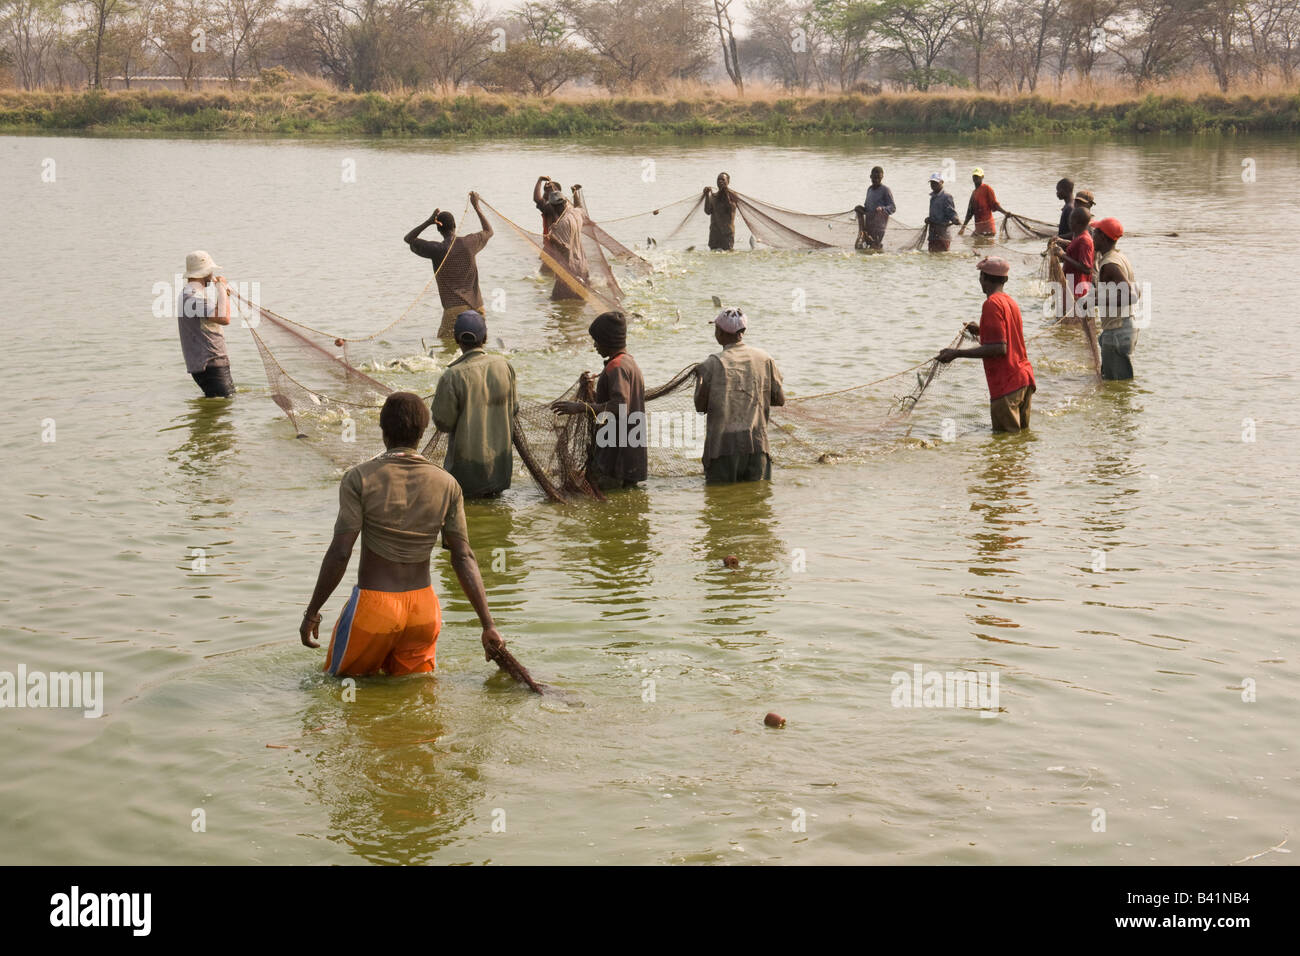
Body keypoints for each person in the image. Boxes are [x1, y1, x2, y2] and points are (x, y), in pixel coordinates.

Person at [298, 391, 508, 677]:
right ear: (422, 433)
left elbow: (341, 551)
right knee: (414, 695)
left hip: (375, 607)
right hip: (423, 611)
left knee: (338, 689)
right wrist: (488, 625)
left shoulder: (360, 478)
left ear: (383, 431)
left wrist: (312, 611)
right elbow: (463, 556)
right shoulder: (447, 483)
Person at [550, 311, 648, 491]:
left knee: (605, 503)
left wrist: (580, 407)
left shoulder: (616, 367)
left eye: (597, 340)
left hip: (615, 458)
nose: (594, 345)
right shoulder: (629, 363)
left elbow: (619, 407)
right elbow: (615, 402)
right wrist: (591, 390)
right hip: (630, 456)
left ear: (608, 340)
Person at [937, 257, 1036, 433]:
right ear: (1005, 279)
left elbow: (999, 348)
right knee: (1019, 440)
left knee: (1006, 444)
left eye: (981, 276)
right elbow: (1008, 336)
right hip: (1024, 380)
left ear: (984, 278)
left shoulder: (991, 304)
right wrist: (982, 330)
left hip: (1007, 386)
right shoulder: (1010, 301)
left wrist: (956, 353)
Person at [431, 310, 518, 498]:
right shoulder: (504, 366)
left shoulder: (452, 376)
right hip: (500, 473)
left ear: (456, 339)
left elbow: (443, 424)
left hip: (465, 477)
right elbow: (514, 409)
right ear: (485, 337)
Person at [694, 307, 785, 482]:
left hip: (722, 449)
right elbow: (779, 399)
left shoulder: (711, 364)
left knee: (719, 505)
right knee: (758, 503)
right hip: (757, 446)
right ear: (742, 332)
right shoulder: (765, 358)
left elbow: (700, 407)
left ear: (720, 332)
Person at [404, 191, 493, 337]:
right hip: (477, 307)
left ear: (438, 228)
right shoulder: (469, 243)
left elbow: (408, 239)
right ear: (455, 225)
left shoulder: (436, 250)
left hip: (454, 311)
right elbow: (489, 231)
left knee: (446, 350)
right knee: (478, 347)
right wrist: (476, 206)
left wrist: (428, 221)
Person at [178, 250, 235, 398]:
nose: (212, 274)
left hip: (209, 363)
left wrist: (223, 294)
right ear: (206, 272)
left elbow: (215, 316)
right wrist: (221, 288)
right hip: (210, 363)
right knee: (224, 407)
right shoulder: (193, 297)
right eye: (211, 270)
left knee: (222, 407)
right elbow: (224, 318)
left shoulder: (190, 293)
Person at [1090, 217, 1139, 381]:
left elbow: (1130, 295)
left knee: (1116, 386)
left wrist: (1095, 301)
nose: (1092, 237)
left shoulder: (1110, 264)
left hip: (1118, 331)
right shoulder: (1118, 256)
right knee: (1116, 386)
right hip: (1123, 326)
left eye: (1095, 233)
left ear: (1103, 238)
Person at [543, 187, 590, 301]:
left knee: (555, 301)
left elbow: (565, 250)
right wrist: (575, 194)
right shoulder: (576, 213)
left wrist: (553, 238)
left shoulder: (562, 224)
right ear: (565, 202)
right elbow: (580, 207)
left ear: (553, 207)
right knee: (578, 303)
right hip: (583, 267)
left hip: (570, 270)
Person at [1050, 204, 1095, 317]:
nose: (1069, 224)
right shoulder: (1080, 237)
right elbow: (1076, 247)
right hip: (1071, 286)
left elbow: (1087, 268)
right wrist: (1062, 241)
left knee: (1071, 319)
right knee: (1067, 324)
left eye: (1071, 221)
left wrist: (1063, 255)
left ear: (1078, 223)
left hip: (1077, 289)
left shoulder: (1084, 240)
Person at [856, 166, 896, 250]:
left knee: (875, 246)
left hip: (879, 227)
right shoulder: (869, 189)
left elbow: (893, 207)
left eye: (879, 177)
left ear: (882, 177)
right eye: (875, 177)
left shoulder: (885, 190)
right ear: (870, 177)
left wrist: (883, 209)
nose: (877, 179)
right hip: (868, 225)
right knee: (868, 248)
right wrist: (860, 209)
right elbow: (867, 209)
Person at [960, 167, 1006, 237]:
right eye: (974, 176)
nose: (976, 178)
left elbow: (995, 205)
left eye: (978, 176)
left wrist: (1005, 213)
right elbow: (969, 213)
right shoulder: (974, 193)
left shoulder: (987, 188)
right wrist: (963, 228)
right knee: (973, 243)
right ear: (972, 178)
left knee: (983, 246)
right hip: (979, 229)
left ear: (982, 177)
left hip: (988, 228)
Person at [533, 175, 563, 275]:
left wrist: (540, 180)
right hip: (555, 247)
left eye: (548, 190)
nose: (545, 192)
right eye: (545, 190)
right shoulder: (562, 206)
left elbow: (537, 199)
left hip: (554, 248)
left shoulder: (551, 208)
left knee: (543, 275)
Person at [925, 173, 961, 252]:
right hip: (933, 235)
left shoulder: (946, 197)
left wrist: (955, 219)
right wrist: (928, 219)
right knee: (932, 257)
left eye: (935, 183)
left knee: (943, 258)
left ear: (942, 182)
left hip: (943, 236)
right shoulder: (932, 197)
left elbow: (951, 212)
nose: (933, 185)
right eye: (932, 183)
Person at [703, 173, 737, 251]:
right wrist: (706, 196)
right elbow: (707, 211)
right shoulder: (714, 196)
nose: (720, 181)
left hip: (727, 234)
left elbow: (730, 209)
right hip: (714, 233)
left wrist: (726, 193)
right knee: (714, 255)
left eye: (723, 180)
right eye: (718, 179)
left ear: (728, 182)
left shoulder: (733, 195)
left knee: (727, 254)